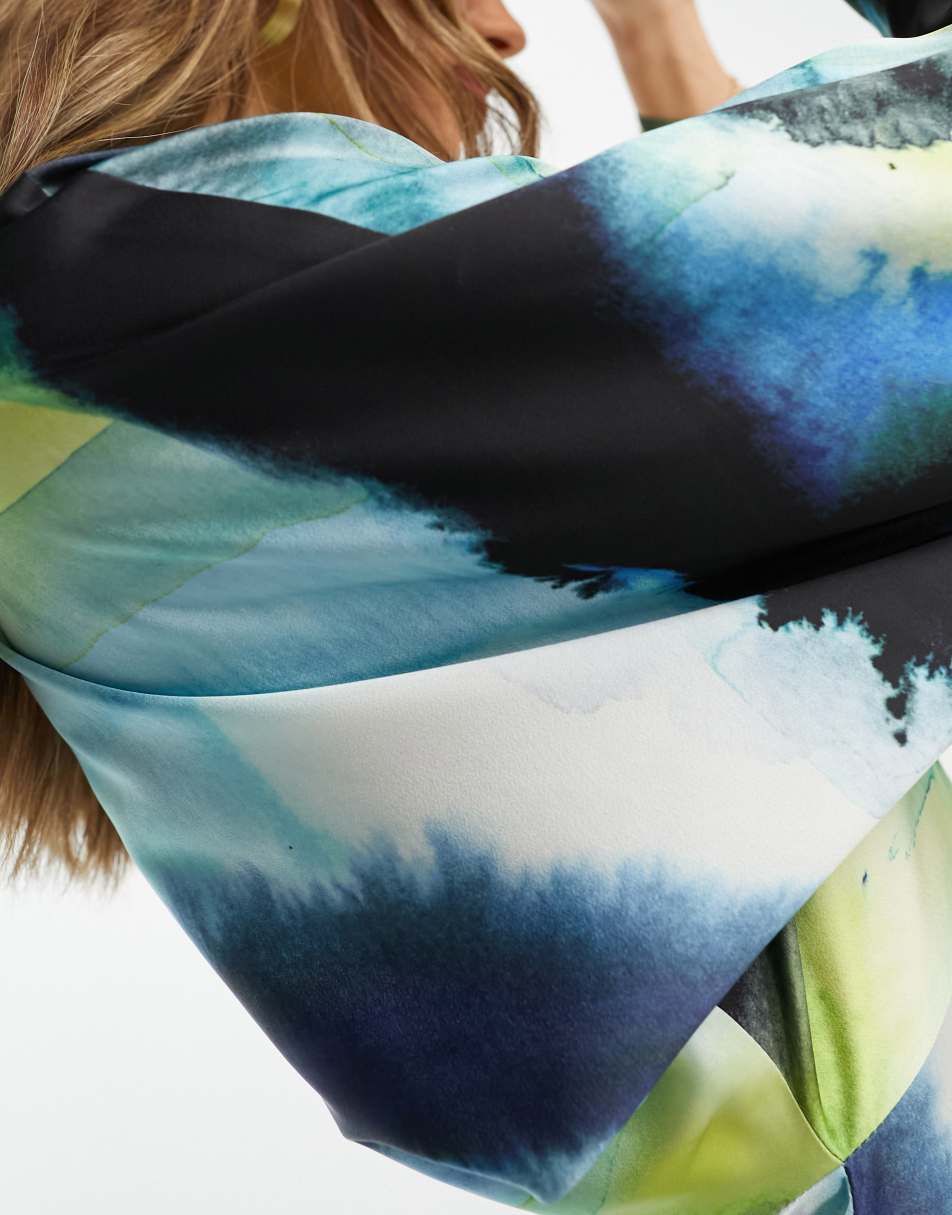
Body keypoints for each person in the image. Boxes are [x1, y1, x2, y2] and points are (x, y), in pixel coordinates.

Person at [2, 1, 952, 1211]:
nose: (504, 31)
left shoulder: (93, 378)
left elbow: (694, 482)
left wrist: (659, 49)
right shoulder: (164, 303)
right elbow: (870, 252)